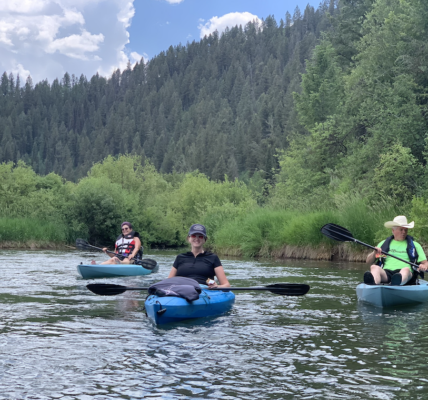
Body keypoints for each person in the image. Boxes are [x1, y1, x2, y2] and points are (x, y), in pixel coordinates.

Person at [364, 216, 428, 286]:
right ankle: (373, 284)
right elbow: (368, 262)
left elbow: (425, 263)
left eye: (405, 230)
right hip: (386, 273)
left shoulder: (415, 245)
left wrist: (423, 266)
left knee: (406, 270)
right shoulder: (383, 244)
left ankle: (396, 282)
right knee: (374, 267)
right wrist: (374, 253)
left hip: (406, 274)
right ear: (393, 230)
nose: (404, 232)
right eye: (401, 229)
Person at [167, 224, 231, 289]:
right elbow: (168, 283)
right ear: (188, 238)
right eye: (193, 235)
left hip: (203, 291)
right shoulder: (180, 257)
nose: (197, 239)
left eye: (200, 236)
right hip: (182, 290)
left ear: (205, 239)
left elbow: (226, 285)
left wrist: (216, 286)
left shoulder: (213, 258)